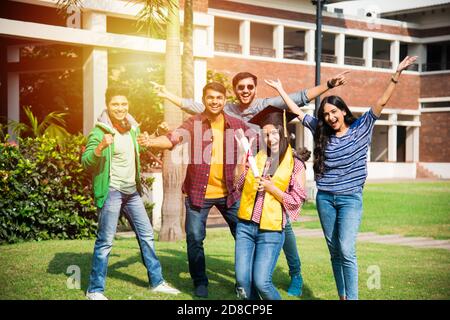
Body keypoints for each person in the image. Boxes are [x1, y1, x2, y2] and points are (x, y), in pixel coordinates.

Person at [152, 70, 348, 296]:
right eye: (240, 87)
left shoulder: (265, 105)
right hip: (245, 173)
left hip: (271, 163)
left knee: (280, 224)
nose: (245, 91)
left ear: (255, 89)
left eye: (249, 87)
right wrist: (169, 96)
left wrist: (329, 84)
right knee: (248, 228)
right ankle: (248, 280)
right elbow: (196, 106)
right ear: (234, 91)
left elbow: (300, 97)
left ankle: (294, 273)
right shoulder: (226, 110)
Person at [264, 55, 418, 300]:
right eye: (325, 114)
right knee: (334, 250)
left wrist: (395, 74)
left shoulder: (361, 128)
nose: (330, 117)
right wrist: (282, 90)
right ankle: (343, 296)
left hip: (350, 199)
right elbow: (297, 111)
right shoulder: (320, 130)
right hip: (325, 198)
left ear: (343, 111)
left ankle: (352, 298)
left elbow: (382, 101)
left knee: (346, 249)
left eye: (334, 111)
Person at [138, 82, 249, 298]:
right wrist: (150, 141)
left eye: (219, 98)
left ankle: (243, 283)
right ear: (204, 99)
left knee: (244, 237)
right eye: (210, 97)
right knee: (195, 238)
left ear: (224, 100)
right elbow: (173, 138)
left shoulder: (236, 124)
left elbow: (255, 146)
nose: (214, 101)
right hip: (199, 193)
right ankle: (200, 282)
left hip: (230, 194)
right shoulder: (194, 122)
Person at [82, 85, 180, 300]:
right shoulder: (100, 131)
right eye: (115, 104)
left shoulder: (131, 127)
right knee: (106, 241)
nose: (120, 107)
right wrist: (99, 148)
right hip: (112, 192)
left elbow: (138, 149)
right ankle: (95, 290)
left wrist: (155, 134)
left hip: (131, 193)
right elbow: (86, 161)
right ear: (107, 105)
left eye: (124, 103)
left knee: (146, 235)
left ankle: (157, 282)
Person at [233, 106, 310, 300]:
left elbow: (296, 201)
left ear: (283, 133)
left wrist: (271, 188)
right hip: (245, 227)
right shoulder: (257, 158)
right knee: (243, 281)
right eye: (266, 135)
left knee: (261, 282)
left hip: (271, 231)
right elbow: (237, 185)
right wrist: (242, 156)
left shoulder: (296, 164)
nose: (270, 139)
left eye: (274, 133)